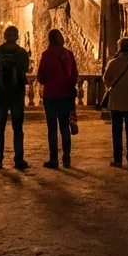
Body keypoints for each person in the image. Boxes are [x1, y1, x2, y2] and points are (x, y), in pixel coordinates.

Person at [0, 25, 31, 170]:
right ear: (17, 37)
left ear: (4, 36)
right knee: (18, 128)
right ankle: (19, 159)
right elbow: (25, 69)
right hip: (17, 95)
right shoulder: (23, 53)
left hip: (0, 95)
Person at [37, 29, 79, 169]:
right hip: (66, 95)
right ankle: (66, 158)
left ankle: (53, 159)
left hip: (51, 96)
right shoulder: (69, 54)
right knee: (65, 127)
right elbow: (74, 76)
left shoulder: (47, 55)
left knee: (52, 128)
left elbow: (41, 78)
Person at [101, 37, 128, 167]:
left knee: (117, 131)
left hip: (117, 102)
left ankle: (118, 160)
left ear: (119, 47)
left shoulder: (113, 63)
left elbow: (106, 79)